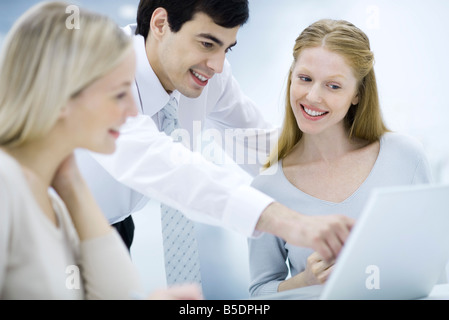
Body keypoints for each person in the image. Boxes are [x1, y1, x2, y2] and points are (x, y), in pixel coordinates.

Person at [76, 0, 354, 288]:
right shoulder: (96, 70)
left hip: (111, 229)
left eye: (227, 48)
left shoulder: (210, 75)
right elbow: (161, 164)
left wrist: (348, 173)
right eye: (207, 44)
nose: (217, 65)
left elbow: (258, 145)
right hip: (47, 226)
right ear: (160, 24)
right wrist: (287, 222)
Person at [0, 1, 202, 300]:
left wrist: (70, 180)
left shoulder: (55, 200)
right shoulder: (6, 187)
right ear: (61, 93)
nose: (134, 111)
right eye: (120, 93)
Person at [247, 19, 433, 297]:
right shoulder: (266, 188)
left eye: (333, 86)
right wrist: (305, 280)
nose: (312, 96)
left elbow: (434, 264)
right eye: (305, 78)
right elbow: (260, 292)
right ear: (291, 77)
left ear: (357, 94)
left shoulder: (406, 157)